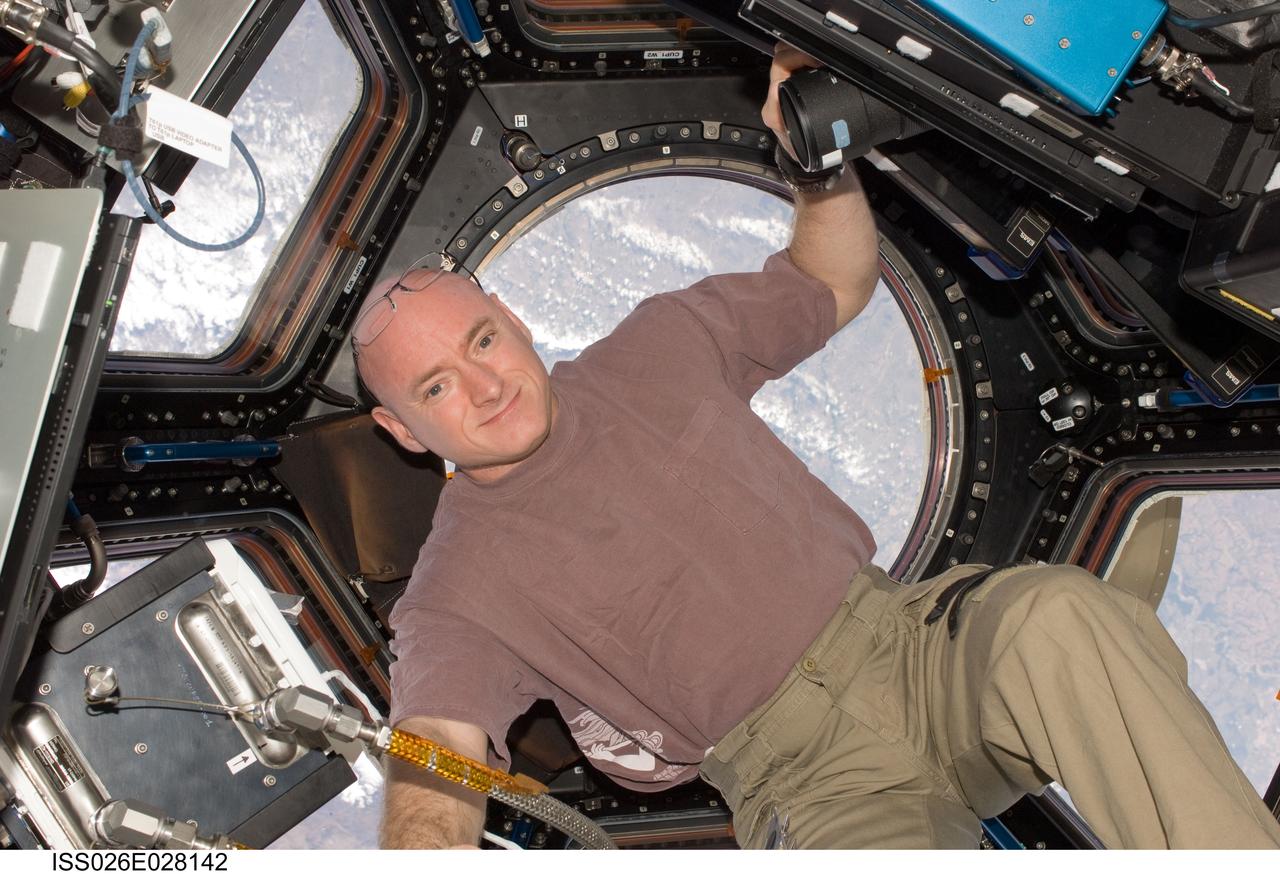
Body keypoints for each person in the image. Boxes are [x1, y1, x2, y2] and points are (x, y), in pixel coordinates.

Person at [351, 44, 1280, 849]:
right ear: (401, 428)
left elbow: (830, 280)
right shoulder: (453, 597)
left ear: (508, 319)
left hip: (913, 652)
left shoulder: (655, 349)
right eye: (435, 388)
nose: (483, 385)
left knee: (1059, 619)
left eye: (480, 341)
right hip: (809, 783)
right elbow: (438, 759)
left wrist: (819, 166)